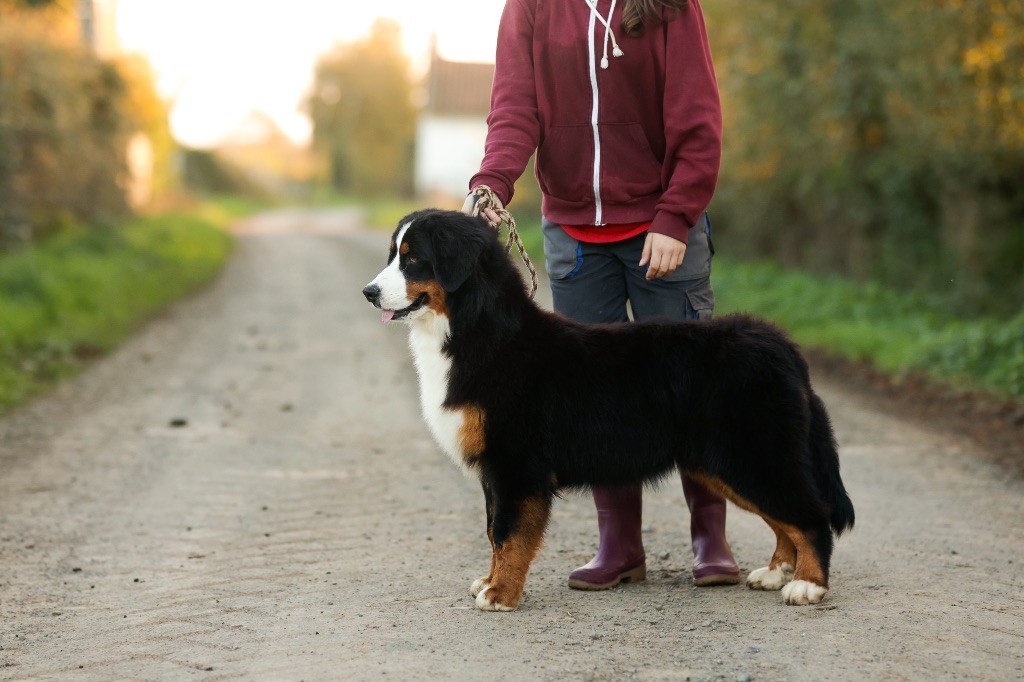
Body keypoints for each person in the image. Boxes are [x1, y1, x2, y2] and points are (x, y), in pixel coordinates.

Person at [462, 0, 739, 589]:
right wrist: (492, 183)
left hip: (663, 227)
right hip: (574, 234)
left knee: (693, 382)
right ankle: (619, 544)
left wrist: (676, 215)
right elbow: (514, 109)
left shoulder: (670, 7)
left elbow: (697, 117)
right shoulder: (530, 7)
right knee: (595, 394)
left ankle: (709, 537)